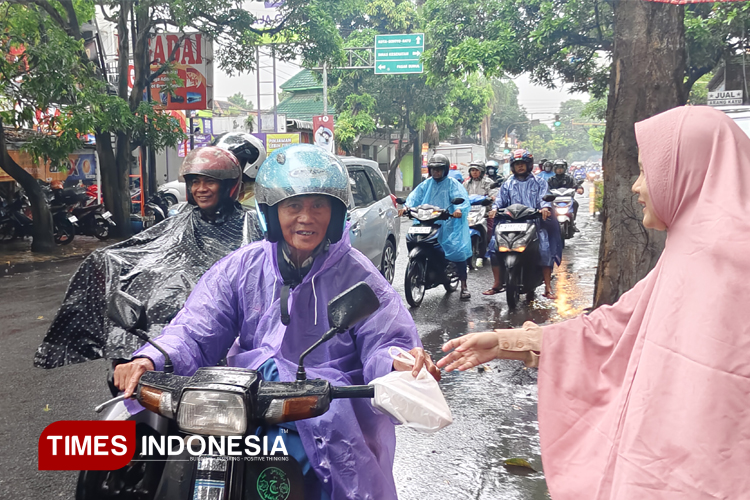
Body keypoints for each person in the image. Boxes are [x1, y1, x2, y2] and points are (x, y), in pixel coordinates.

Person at [438, 106, 750, 500]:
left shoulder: (729, 261)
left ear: (686, 171)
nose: (636, 187)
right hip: (656, 468)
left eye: (646, 171)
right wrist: (505, 343)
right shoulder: (688, 251)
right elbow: (612, 330)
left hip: (708, 478)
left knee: (548, 244)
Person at [113, 144, 440, 500]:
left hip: (327, 412)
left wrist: (399, 362)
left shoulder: (359, 276)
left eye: (318, 205)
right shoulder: (243, 266)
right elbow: (196, 326)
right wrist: (150, 359)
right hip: (245, 406)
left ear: (336, 212)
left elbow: (385, 339)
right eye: (293, 205)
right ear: (271, 212)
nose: (306, 217)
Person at [35, 147, 262, 368]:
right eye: (195, 182)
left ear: (228, 187)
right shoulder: (182, 219)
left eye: (209, 182)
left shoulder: (249, 223)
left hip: (228, 323)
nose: (200, 189)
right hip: (172, 333)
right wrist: (106, 261)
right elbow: (147, 248)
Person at [483, 148, 562, 299]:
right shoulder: (507, 184)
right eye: (517, 164)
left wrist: (545, 208)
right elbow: (500, 200)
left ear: (529, 165)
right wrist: (494, 209)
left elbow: (544, 198)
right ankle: (497, 283)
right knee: (494, 246)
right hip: (509, 224)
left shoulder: (539, 182)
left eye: (523, 164)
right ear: (513, 166)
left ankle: (547, 286)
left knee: (545, 247)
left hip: (534, 223)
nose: (520, 166)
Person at [399, 153, 473, 300]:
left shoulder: (452, 184)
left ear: (445, 170)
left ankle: (464, 286)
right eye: (433, 169)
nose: (436, 172)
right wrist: (406, 207)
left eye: (439, 169)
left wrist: (459, 210)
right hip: (427, 221)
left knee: (456, 251)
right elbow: (414, 197)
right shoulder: (426, 184)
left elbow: (462, 199)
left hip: (449, 223)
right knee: (416, 239)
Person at [547, 159, 584, 229]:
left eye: (561, 168)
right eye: (557, 168)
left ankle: (573, 223)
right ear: (554, 169)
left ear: (564, 169)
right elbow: (545, 188)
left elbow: (576, 184)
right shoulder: (551, 179)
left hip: (567, 199)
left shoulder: (569, 178)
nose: (559, 170)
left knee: (575, 204)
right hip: (555, 199)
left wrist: (579, 188)